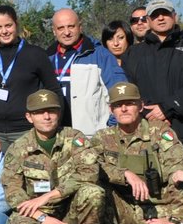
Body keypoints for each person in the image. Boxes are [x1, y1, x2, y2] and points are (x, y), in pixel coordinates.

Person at [92, 81, 183, 224]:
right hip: (118, 211)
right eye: (118, 105)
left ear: (141, 106)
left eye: (130, 103)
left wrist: (173, 218)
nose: (123, 109)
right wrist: (125, 174)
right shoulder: (102, 138)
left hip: (154, 210)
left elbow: (182, 175)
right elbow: (91, 167)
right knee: (92, 189)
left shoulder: (160, 133)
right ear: (111, 109)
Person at [1, 90, 108, 224]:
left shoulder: (74, 138)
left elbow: (89, 173)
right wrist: (42, 217)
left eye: (51, 111)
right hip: (39, 213)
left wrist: (50, 195)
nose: (46, 117)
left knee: (93, 192)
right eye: (39, 112)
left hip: (72, 209)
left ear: (59, 113)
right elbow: (12, 191)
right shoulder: (19, 148)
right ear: (29, 117)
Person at [120, 0, 183, 154]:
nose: (161, 18)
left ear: (174, 16)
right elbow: (129, 88)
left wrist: (167, 108)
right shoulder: (133, 53)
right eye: (155, 15)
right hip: (146, 137)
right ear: (148, 21)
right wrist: (149, 112)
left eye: (165, 13)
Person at [0, 4, 62, 149]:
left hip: (26, 130)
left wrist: (55, 124)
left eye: (8, 25)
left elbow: (54, 91)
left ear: (16, 24)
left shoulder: (36, 55)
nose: (4, 31)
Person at [47, 7, 126, 136]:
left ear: (80, 27)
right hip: (57, 135)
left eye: (71, 26)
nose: (66, 32)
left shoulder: (99, 54)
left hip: (91, 137)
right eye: (61, 28)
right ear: (54, 31)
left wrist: (108, 128)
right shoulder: (47, 58)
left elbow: (120, 94)